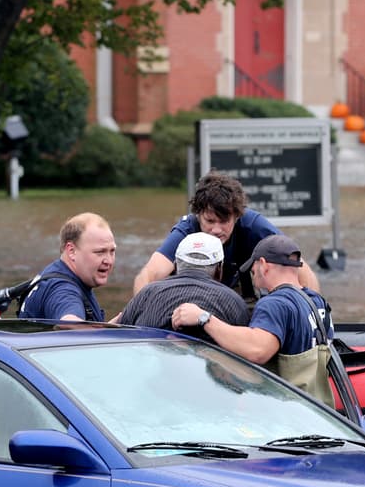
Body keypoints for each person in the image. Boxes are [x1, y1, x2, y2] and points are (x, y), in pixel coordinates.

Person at [171, 234, 335, 406]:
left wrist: (203, 318)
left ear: (263, 265)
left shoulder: (274, 304)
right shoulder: (316, 301)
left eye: (253, 269)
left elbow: (258, 350)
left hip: (288, 410)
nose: (253, 275)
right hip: (320, 410)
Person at [133, 171, 321, 300]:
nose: (216, 229)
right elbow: (148, 275)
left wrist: (313, 315)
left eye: (224, 221)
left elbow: (301, 269)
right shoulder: (186, 230)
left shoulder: (253, 225)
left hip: (240, 299)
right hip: (189, 298)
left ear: (237, 216)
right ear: (198, 215)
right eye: (210, 221)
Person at [119, 231, 249, 340]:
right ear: (219, 269)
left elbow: (119, 334)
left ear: (175, 266)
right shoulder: (234, 303)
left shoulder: (146, 293)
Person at [18, 212, 117, 322]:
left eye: (112, 251)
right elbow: (69, 323)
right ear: (71, 251)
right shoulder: (62, 289)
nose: (108, 261)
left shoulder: (56, 272)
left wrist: (113, 327)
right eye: (100, 252)